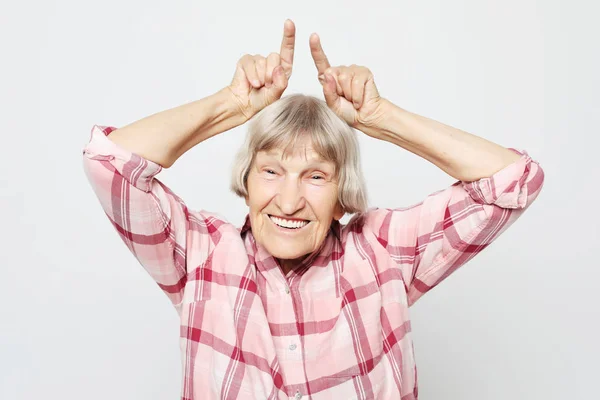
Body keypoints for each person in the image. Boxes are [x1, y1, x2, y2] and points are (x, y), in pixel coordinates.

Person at [82, 19, 544, 400]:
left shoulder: (382, 251)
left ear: (343, 191)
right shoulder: (198, 253)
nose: (288, 200)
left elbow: (511, 182)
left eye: (315, 176)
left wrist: (383, 119)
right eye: (271, 172)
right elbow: (110, 163)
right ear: (245, 180)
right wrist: (232, 104)